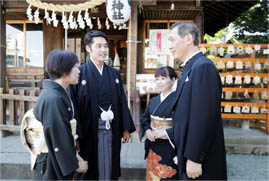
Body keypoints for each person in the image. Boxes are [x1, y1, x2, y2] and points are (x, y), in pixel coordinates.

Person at [152, 22, 227, 180]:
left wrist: (194, 158)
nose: (170, 46)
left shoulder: (203, 67)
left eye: (172, 40)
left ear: (188, 38)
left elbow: (204, 118)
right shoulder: (190, 68)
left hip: (198, 159)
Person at [69, 30, 136, 180]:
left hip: (111, 129)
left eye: (105, 46)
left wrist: (125, 128)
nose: (103, 50)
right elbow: (73, 106)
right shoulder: (79, 73)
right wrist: (76, 135)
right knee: (89, 169)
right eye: (98, 46)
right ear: (88, 48)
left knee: (110, 166)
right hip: (88, 131)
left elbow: (121, 102)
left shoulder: (114, 74)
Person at [33, 50, 88, 180]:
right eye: (75, 66)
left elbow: (64, 134)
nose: (79, 70)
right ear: (64, 70)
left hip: (55, 156)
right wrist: (75, 164)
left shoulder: (56, 93)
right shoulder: (54, 98)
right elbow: (59, 137)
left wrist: (76, 156)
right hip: (50, 159)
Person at [140, 66, 179, 180]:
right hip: (154, 145)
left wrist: (165, 133)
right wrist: (147, 131)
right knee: (153, 176)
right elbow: (145, 119)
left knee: (168, 175)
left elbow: (184, 125)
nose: (159, 82)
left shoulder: (179, 100)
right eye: (157, 79)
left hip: (170, 146)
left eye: (163, 78)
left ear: (173, 80)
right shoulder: (153, 101)